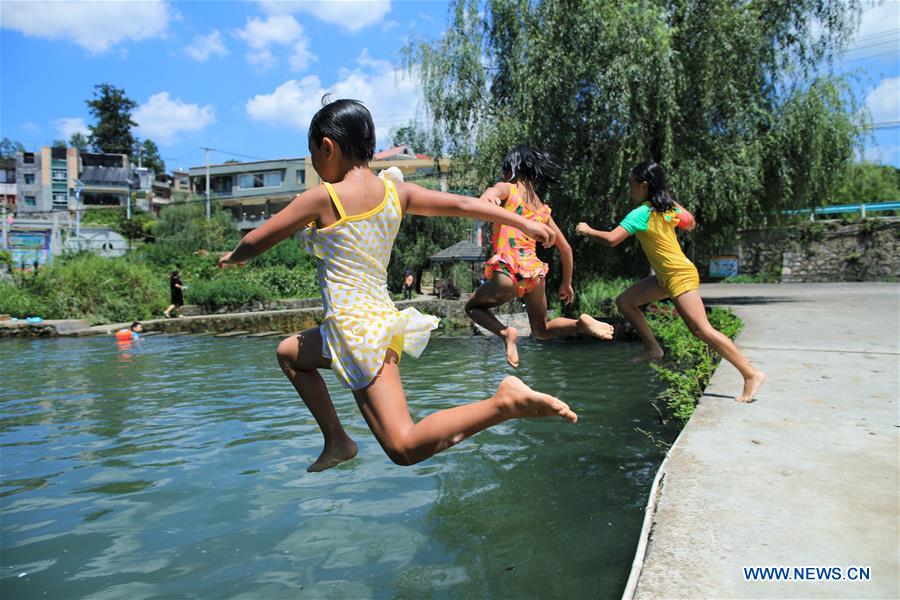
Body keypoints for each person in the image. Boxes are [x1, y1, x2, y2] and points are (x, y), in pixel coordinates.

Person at [218, 98, 576, 472]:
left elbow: (256, 240)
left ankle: (502, 403)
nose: (315, 164)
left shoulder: (323, 197)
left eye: (313, 154)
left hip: (357, 332)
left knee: (403, 446)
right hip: (371, 321)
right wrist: (522, 222)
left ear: (328, 147)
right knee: (290, 354)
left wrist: (234, 255)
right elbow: (461, 204)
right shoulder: (396, 192)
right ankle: (337, 440)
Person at [575, 160, 765, 402]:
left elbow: (612, 239)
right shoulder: (667, 209)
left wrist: (588, 230)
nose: (630, 189)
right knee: (625, 302)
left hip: (678, 275)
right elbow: (691, 223)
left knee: (701, 329)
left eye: (632, 184)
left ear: (644, 185)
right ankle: (653, 348)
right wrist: (668, 200)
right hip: (666, 277)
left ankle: (751, 374)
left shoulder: (641, 213)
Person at [464, 145, 614, 368]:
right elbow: (566, 249)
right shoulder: (541, 208)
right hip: (534, 275)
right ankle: (580, 324)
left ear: (511, 169)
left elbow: (489, 194)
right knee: (541, 330)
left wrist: (488, 198)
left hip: (508, 269)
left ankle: (505, 333)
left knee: (472, 307)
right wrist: (566, 284)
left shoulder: (507, 188)